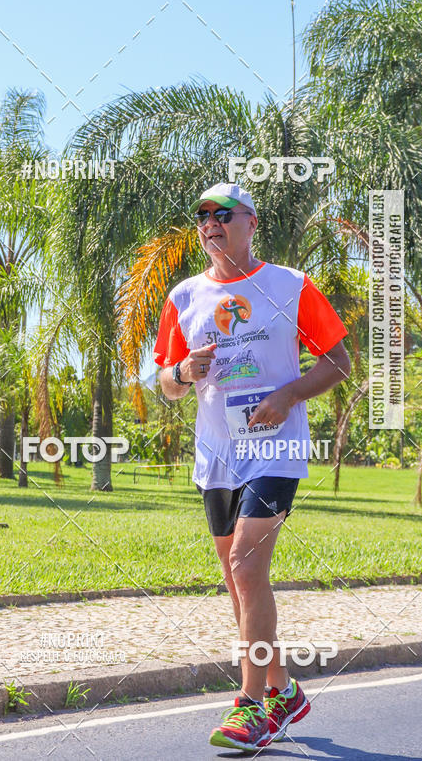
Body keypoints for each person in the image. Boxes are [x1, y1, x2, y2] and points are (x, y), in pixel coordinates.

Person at [154, 182, 350, 752]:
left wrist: (288, 396)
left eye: (222, 214)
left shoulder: (288, 286)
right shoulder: (184, 297)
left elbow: (339, 360)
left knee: (244, 563)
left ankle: (252, 707)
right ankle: (284, 687)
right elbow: (165, 383)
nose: (209, 223)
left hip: (276, 447)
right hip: (217, 454)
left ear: (250, 223)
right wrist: (184, 374)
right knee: (239, 578)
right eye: (201, 216)